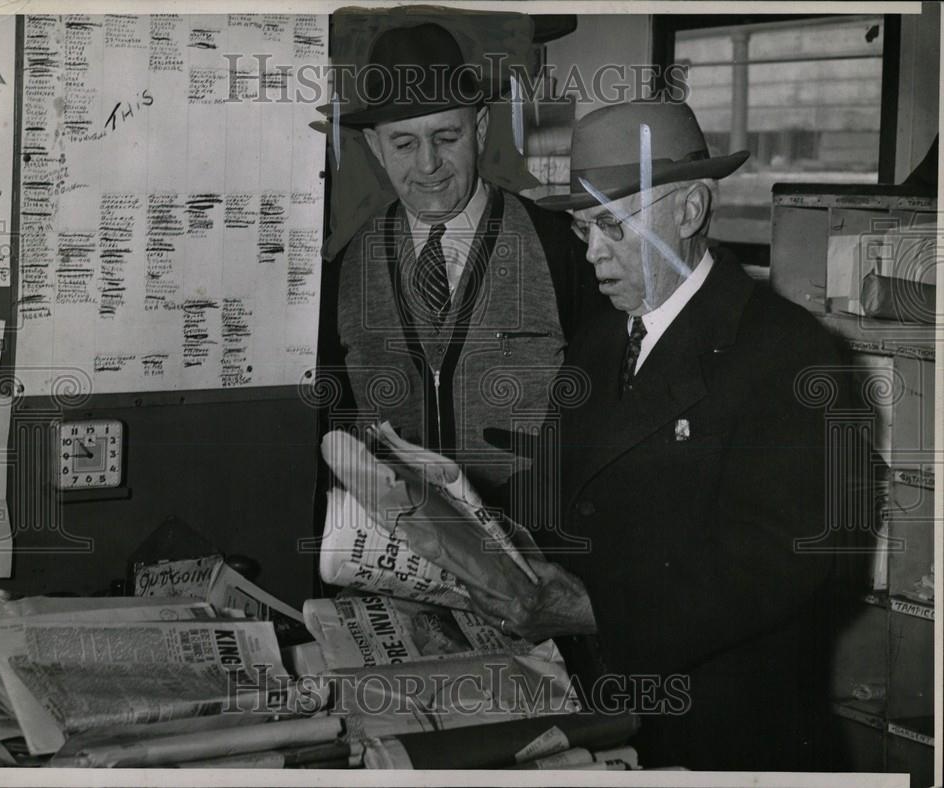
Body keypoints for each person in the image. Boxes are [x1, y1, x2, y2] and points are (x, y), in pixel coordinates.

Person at [469, 101, 863, 771]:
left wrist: (595, 608)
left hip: (723, 731)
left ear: (689, 211)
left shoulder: (790, 353)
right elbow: (565, 487)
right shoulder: (599, 336)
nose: (592, 252)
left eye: (611, 226)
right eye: (581, 228)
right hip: (600, 712)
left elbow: (783, 560)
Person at [320, 22, 599, 499]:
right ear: (374, 147)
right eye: (404, 144)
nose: (427, 164)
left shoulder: (562, 250)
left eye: (446, 137)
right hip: (399, 548)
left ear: (481, 128)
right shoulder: (346, 267)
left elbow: (599, 413)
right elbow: (335, 420)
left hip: (531, 544)